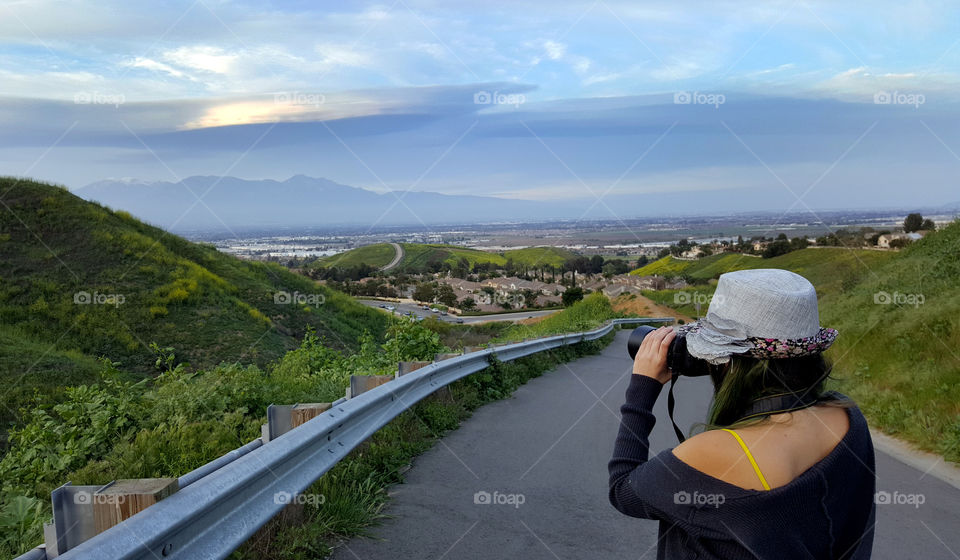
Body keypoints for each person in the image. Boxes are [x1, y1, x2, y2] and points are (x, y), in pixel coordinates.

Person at [608, 269, 875, 559]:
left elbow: (623, 489)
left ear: (731, 365)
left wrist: (642, 388)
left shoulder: (713, 453)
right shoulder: (849, 418)